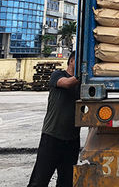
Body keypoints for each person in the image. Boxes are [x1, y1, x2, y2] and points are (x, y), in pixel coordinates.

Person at [28, 52, 80, 187]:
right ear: (72, 61)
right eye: (80, 61)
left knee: (66, 182)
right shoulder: (58, 75)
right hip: (52, 136)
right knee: (39, 180)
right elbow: (67, 84)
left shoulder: (82, 83)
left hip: (72, 139)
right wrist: (84, 73)